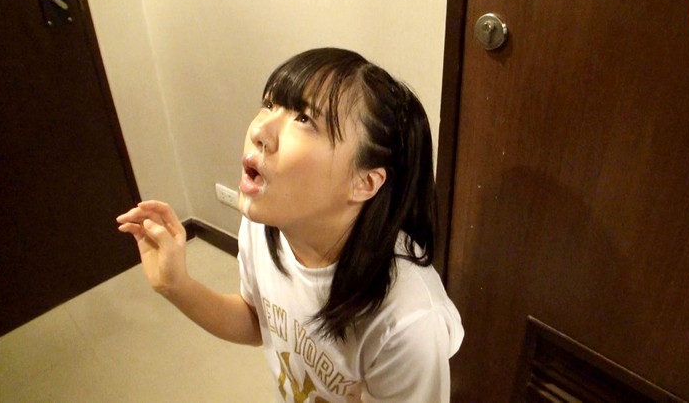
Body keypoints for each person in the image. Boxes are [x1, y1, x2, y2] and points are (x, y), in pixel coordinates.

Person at [116, 48, 464, 402]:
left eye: (304, 118)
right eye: (269, 104)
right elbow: (258, 321)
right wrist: (176, 285)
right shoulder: (266, 226)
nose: (259, 130)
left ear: (365, 182)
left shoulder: (408, 321)